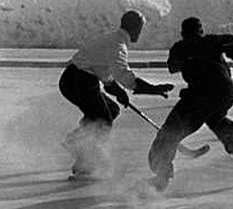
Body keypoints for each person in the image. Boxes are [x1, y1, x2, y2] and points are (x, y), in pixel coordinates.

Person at [147, 17, 233, 191]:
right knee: (215, 116)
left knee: (169, 134)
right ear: (201, 31)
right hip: (224, 92)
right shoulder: (213, 41)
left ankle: (162, 177)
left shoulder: (180, 47)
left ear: (183, 33)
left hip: (200, 94)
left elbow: (172, 67)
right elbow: (231, 41)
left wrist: (187, 58)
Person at [58, 10, 174, 179]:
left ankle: (77, 140)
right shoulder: (117, 45)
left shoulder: (112, 39)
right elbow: (125, 76)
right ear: (136, 29)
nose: (140, 33)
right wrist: (152, 89)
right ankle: (84, 161)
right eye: (140, 29)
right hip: (78, 81)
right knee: (103, 119)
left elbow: (104, 72)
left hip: (75, 79)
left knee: (111, 110)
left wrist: (119, 92)